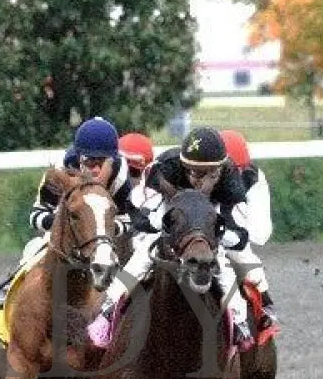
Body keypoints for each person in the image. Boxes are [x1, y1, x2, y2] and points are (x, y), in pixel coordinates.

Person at [93, 126, 256, 349]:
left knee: (223, 264)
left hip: (209, 221)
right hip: (171, 215)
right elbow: (139, 214)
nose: (198, 181)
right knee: (144, 253)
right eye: (193, 172)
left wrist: (214, 233)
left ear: (220, 169)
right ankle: (108, 309)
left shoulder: (230, 180)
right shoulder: (165, 167)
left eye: (208, 174)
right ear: (182, 165)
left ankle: (239, 321)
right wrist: (167, 226)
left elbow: (241, 237)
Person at [20, 117, 139, 265]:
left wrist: (99, 228)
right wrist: (68, 225)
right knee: (31, 251)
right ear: (79, 159)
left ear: (112, 160)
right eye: (90, 162)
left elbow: (127, 221)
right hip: (62, 242)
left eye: (102, 162)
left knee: (127, 269)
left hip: (105, 243)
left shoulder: (119, 174)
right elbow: (35, 217)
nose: (96, 170)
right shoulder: (60, 170)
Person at [220, 129, 278, 328]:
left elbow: (260, 233)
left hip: (232, 237)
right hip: (198, 234)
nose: (234, 176)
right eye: (229, 171)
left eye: (238, 170)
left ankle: (264, 309)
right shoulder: (199, 172)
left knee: (251, 267)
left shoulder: (253, 177)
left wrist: (236, 233)